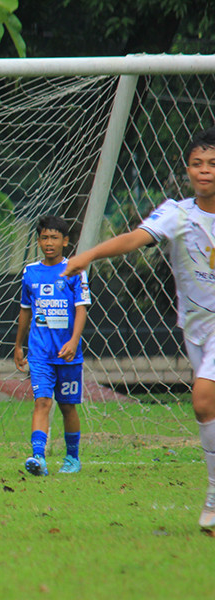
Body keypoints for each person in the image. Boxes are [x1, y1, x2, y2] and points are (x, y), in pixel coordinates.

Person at [63, 126, 215, 526]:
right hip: (195, 327)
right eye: (197, 163)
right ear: (187, 170)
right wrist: (87, 256)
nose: (205, 170)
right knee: (209, 408)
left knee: (202, 400)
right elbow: (134, 239)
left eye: (213, 163)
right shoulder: (177, 213)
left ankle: (214, 498)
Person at [13, 215, 90, 476]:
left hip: (67, 354)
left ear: (65, 241)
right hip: (40, 352)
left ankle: (72, 458)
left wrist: (74, 341)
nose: (49, 243)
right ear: (38, 241)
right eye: (44, 237)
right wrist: (18, 345)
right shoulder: (30, 272)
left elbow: (81, 309)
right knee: (42, 402)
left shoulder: (75, 270)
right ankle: (39, 458)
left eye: (54, 238)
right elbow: (25, 310)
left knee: (67, 406)